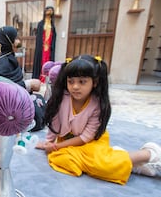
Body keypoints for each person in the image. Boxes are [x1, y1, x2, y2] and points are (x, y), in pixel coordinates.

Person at [36, 54, 161, 185]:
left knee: (98, 163)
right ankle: (128, 161)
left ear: (94, 82)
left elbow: (86, 137)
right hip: (67, 142)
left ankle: (148, 154)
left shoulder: (97, 104)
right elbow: (55, 123)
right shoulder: (61, 98)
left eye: (82, 81)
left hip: (92, 142)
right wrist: (48, 143)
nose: (75, 87)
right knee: (62, 160)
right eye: (71, 81)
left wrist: (56, 146)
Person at [0, 26, 44, 132]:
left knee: (38, 99)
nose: (17, 41)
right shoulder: (2, 61)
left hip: (1, 105)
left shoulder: (2, 57)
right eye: (15, 38)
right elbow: (0, 91)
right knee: (38, 106)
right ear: (7, 40)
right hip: (1, 109)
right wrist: (28, 85)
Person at [32, 6, 56, 83]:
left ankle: (47, 78)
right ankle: (39, 78)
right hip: (42, 47)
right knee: (40, 61)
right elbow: (39, 36)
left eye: (51, 11)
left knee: (47, 61)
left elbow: (54, 36)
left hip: (48, 48)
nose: (49, 12)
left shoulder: (52, 25)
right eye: (48, 10)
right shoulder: (41, 24)